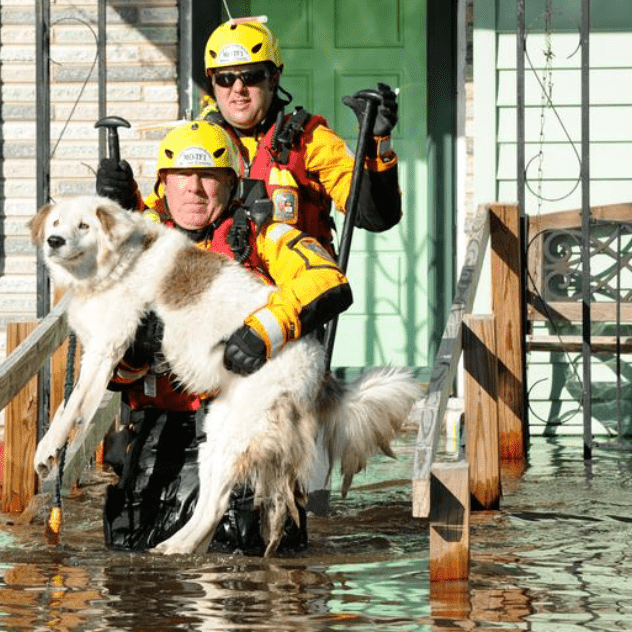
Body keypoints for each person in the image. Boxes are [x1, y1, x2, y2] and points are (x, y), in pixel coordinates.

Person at [102, 120, 353, 554]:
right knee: (133, 541)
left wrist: (262, 333)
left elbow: (326, 279)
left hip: (246, 413)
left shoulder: (263, 232)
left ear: (231, 182)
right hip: (163, 412)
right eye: (182, 176)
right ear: (164, 183)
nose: (194, 189)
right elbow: (100, 358)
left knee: (247, 544)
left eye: (208, 177)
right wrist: (132, 356)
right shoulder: (134, 241)